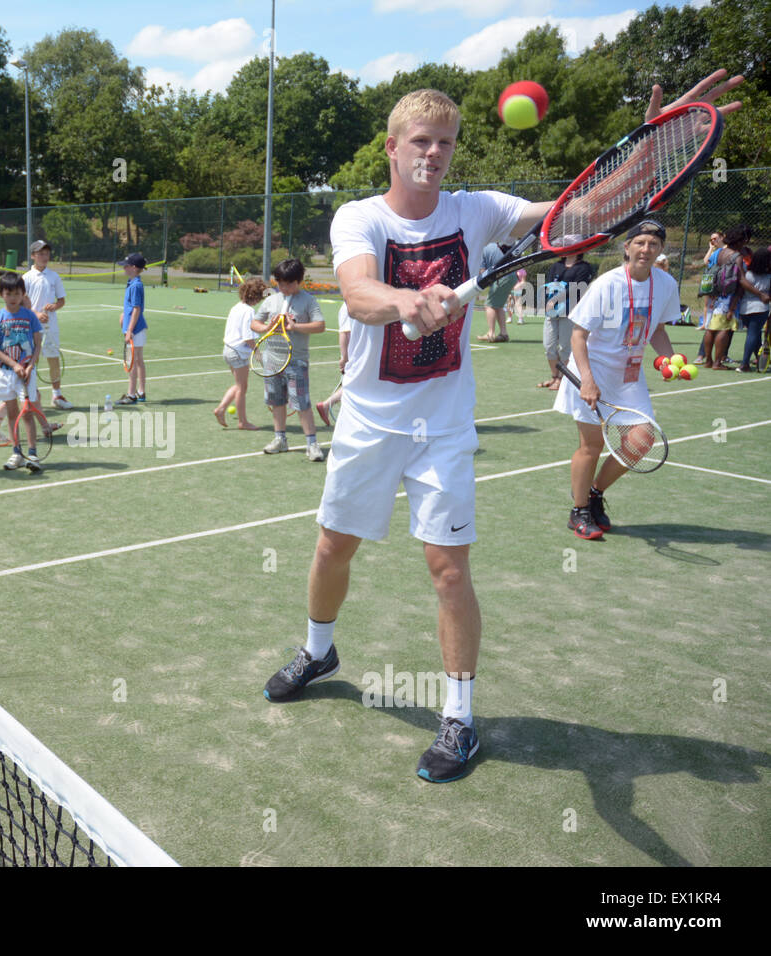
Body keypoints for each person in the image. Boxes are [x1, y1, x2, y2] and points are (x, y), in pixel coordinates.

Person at [263, 71, 743, 785]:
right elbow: (359, 292)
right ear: (393, 148)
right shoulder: (358, 217)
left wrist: (647, 149)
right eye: (420, 141)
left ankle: (458, 718)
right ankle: (319, 648)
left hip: (445, 426)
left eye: (446, 142)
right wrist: (404, 300)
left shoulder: (477, 209)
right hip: (367, 420)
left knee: (449, 569)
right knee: (334, 546)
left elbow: (578, 213)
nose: (433, 152)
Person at [556, 221, 679, 539]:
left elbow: (659, 332)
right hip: (592, 370)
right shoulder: (607, 284)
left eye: (653, 244)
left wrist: (670, 359)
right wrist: (587, 380)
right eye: (640, 242)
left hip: (630, 377)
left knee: (641, 441)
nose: (646, 249)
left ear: (660, 250)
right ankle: (579, 511)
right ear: (627, 247)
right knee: (592, 445)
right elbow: (578, 335)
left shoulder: (665, 284)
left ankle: (594, 493)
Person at [253, 258, 326, 461]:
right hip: (272, 360)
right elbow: (255, 323)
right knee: (276, 401)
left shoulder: (308, 301)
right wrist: (267, 327)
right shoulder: (271, 300)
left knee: (301, 403)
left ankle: (312, 444)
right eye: (280, 283)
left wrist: (295, 327)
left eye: (288, 283)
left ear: (299, 281)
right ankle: (280, 439)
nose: (283, 287)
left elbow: (320, 325)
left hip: (297, 361)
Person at [0, 273, 45, 472]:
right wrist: (13, 364)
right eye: (9, 293)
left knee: (26, 413)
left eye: (17, 293)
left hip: (26, 374)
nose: (13, 297)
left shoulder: (30, 316)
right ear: (1, 294)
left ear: (23, 294)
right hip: (5, 373)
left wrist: (28, 367)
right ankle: (17, 452)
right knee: (12, 414)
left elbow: (38, 344)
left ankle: (33, 454)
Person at [538, 244, 596, 390]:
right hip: (552, 312)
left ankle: (563, 380)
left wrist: (556, 299)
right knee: (549, 346)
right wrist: (548, 301)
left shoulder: (584, 267)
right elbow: (549, 285)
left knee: (565, 348)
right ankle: (554, 377)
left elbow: (578, 288)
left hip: (571, 312)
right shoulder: (556, 265)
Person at [213, 277, 266, 429]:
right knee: (242, 388)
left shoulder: (236, 307)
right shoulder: (249, 311)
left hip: (228, 350)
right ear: (256, 297)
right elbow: (248, 337)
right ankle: (242, 421)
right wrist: (257, 353)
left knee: (239, 386)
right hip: (237, 352)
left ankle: (221, 409)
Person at [23, 239, 70, 409]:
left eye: (47, 253)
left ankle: (57, 396)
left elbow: (62, 300)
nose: (45, 256)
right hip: (31, 326)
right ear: (33, 256)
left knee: (53, 359)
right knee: (30, 361)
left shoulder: (54, 276)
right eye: (41, 253)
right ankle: (30, 395)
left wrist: (55, 306)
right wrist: (35, 314)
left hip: (51, 326)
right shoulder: (26, 278)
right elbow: (22, 302)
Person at [701, 223, 751, 369]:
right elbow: (741, 280)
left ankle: (708, 360)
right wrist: (758, 293)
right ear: (740, 241)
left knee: (711, 328)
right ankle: (717, 362)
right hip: (730, 296)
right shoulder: (737, 257)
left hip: (716, 294)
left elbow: (710, 267)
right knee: (724, 328)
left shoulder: (719, 253)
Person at [314, 302, 353, 428]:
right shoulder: (349, 306)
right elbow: (344, 333)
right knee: (357, 385)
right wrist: (345, 358)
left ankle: (326, 405)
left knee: (357, 385)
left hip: (356, 354)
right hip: (354, 355)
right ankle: (326, 405)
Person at [117, 253, 147, 404]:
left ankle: (131, 395)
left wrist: (129, 330)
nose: (124, 267)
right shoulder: (132, 283)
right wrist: (124, 314)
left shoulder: (136, 285)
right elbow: (131, 307)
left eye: (126, 265)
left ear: (134, 268)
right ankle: (140, 392)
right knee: (138, 361)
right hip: (136, 327)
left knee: (133, 362)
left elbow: (137, 309)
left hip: (135, 329)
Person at [735, 247, 771, 372]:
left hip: (745, 309)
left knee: (754, 334)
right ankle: (744, 364)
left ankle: (759, 359)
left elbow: (740, 291)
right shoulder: (769, 277)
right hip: (761, 309)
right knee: (753, 334)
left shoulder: (747, 275)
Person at [475, 242, 516, 342]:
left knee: (489, 305)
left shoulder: (482, 249)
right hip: (513, 276)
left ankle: (491, 333)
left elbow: (482, 270)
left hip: (501, 277)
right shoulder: (497, 244)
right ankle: (503, 333)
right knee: (499, 305)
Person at [695, 232, 722, 360]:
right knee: (708, 305)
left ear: (721, 238)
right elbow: (706, 261)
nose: (713, 240)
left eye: (715, 238)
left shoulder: (724, 250)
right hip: (711, 281)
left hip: (718, 283)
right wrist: (710, 248)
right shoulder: (715, 251)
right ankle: (705, 323)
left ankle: (717, 356)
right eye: (711, 239)